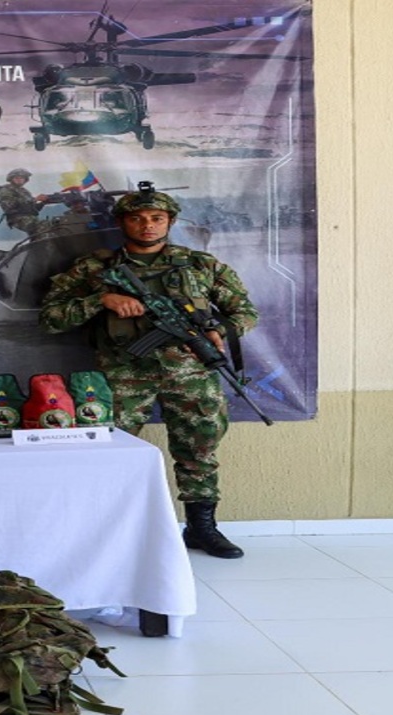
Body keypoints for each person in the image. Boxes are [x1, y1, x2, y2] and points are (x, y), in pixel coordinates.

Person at [38, 187, 258, 558]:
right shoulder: (94, 268)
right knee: (111, 453)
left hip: (191, 374)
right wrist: (101, 300)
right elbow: (50, 318)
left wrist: (218, 331)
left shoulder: (200, 265)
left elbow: (246, 312)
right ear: (122, 222)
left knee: (199, 451)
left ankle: (202, 528)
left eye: (157, 218)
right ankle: (108, 532)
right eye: (137, 218)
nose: (147, 226)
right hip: (123, 374)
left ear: (170, 221)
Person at [0, 168, 59, 237]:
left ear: (25, 180)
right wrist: (35, 199)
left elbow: (32, 208)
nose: (19, 179)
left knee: (56, 225)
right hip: (18, 218)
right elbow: (10, 204)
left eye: (22, 178)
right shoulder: (5, 189)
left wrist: (43, 202)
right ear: (11, 179)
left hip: (30, 218)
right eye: (16, 178)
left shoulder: (24, 191)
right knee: (44, 226)